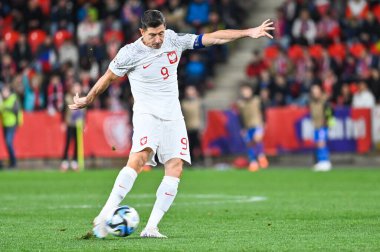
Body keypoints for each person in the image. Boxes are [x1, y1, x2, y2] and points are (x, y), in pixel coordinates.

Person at [69, 10, 274, 238]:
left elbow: (213, 37)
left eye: (161, 33)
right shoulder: (129, 53)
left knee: (176, 167)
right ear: (141, 32)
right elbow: (107, 77)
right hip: (147, 114)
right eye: (153, 35)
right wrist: (88, 98)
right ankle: (105, 214)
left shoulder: (174, 40)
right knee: (139, 158)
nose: (158, 40)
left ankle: (151, 228)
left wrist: (249, 32)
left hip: (173, 116)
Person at [236, 84, 269, 172]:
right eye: (244, 91)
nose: (246, 93)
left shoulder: (257, 100)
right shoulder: (240, 103)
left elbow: (263, 111)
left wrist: (265, 122)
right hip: (247, 126)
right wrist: (242, 128)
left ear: (251, 91)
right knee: (249, 144)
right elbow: (240, 117)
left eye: (247, 91)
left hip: (257, 124)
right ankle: (253, 162)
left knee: (257, 139)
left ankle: (261, 156)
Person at [61, 83, 85, 172]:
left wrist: (84, 124)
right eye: (75, 88)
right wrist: (63, 122)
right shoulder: (67, 98)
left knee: (77, 143)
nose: (77, 90)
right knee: (67, 142)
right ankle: (65, 161)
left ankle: (75, 161)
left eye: (78, 88)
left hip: (78, 125)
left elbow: (84, 113)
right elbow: (63, 110)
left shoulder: (83, 99)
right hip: (69, 123)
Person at [309, 84, 333, 172]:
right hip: (316, 125)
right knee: (317, 144)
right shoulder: (312, 102)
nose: (315, 93)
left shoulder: (325, 102)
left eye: (316, 91)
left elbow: (329, 113)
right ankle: (320, 162)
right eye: (313, 92)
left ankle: (325, 162)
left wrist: (328, 123)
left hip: (323, 125)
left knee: (321, 143)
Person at [0, 85, 23, 168]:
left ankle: (13, 162)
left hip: (12, 124)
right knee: (7, 143)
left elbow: (18, 112)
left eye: (5, 91)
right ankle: (12, 161)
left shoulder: (13, 99)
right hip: (5, 124)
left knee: (8, 142)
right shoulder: (3, 101)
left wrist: (18, 123)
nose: (3, 93)